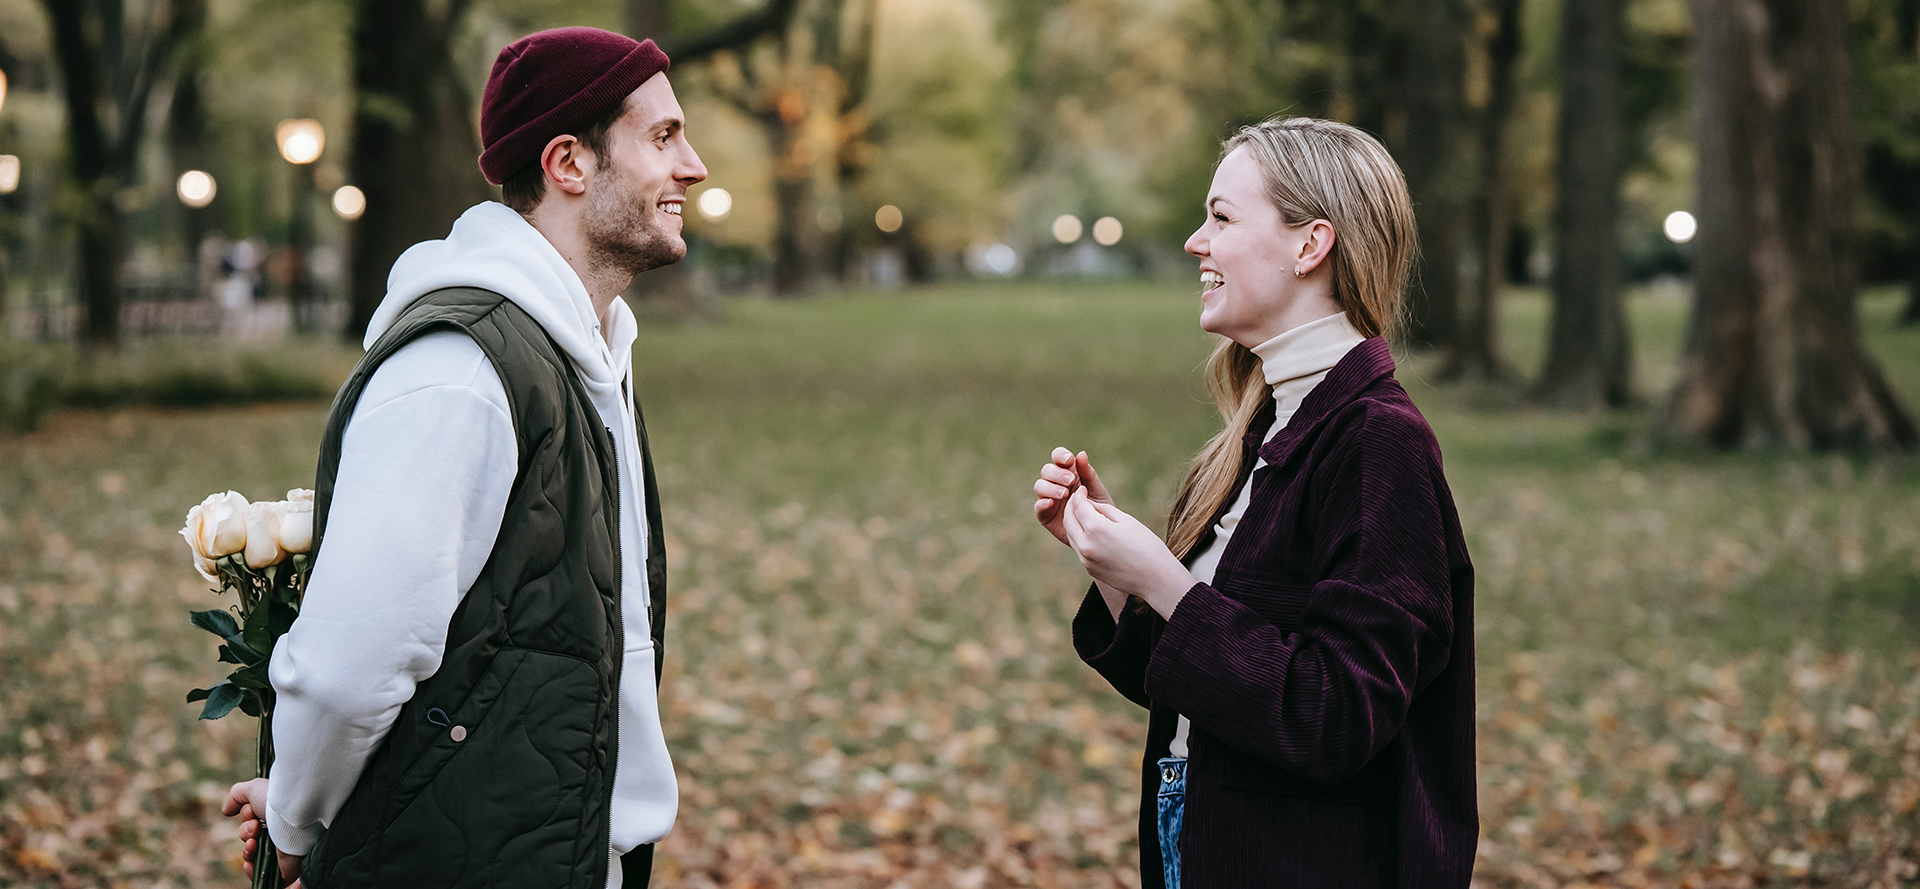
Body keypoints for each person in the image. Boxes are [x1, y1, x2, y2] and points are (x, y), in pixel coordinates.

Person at [219, 26, 706, 889]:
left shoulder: (586, 353)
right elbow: (347, 663)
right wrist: (295, 817)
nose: (694, 167)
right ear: (568, 163)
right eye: (663, 137)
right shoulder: (461, 370)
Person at [1033, 117, 1476, 888]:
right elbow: (1197, 682)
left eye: (1221, 217)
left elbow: (1335, 716)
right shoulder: (1272, 421)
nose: (1194, 243)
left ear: (1311, 246)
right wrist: (1115, 566)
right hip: (1199, 833)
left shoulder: (1376, 441)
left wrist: (1165, 581)